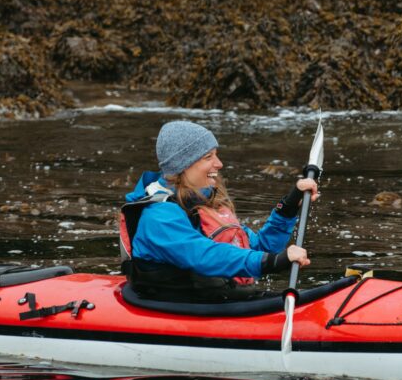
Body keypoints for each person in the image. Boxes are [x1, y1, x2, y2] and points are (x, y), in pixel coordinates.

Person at [121, 120, 318, 302]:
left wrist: (289, 207)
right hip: (184, 307)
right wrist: (272, 262)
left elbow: (259, 249)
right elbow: (204, 255)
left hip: (217, 298)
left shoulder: (204, 202)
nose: (219, 164)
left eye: (216, 154)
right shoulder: (158, 217)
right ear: (183, 166)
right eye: (208, 157)